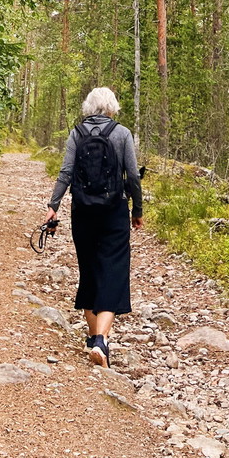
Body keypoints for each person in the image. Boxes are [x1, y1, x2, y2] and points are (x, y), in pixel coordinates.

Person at [43, 87, 143, 368]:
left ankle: (94, 339)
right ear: (112, 107)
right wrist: (137, 210)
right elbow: (133, 175)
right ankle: (101, 339)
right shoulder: (122, 133)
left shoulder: (77, 133)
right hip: (114, 212)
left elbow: (66, 172)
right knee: (114, 272)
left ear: (88, 107)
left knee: (89, 272)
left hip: (83, 211)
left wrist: (53, 206)